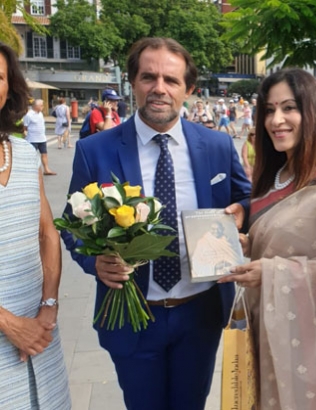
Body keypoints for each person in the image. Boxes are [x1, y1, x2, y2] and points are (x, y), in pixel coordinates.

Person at [61, 37, 252, 410]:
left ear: (188, 89)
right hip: (131, 313)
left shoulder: (216, 146)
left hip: (199, 312)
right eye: (148, 77)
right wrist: (94, 262)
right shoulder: (95, 150)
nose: (159, 88)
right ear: (133, 82)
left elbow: (246, 200)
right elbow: (71, 225)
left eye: (171, 80)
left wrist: (242, 213)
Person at [218, 68, 316, 409]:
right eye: (269, 110)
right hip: (265, 326)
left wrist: (273, 272)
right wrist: (248, 245)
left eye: (289, 108)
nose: (276, 120)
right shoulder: (273, 177)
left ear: (312, 113)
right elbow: (280, 239)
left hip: (310, 340)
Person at [0, 40, 71, 410]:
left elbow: (47, 232)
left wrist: (49, 304)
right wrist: (9, 324)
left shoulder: (25, 154)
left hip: (40, 330)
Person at [23, 99, 56, 175]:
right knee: (31, 155)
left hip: (42, 138)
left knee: (44, 154)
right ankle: (30, 170)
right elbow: (25, 127)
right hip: (32, 139)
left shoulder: (40, 114)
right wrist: (25, 135)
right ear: (36, 106)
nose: (43, 107)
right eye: (41, 105)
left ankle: (46, 169)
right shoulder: (29, 115)